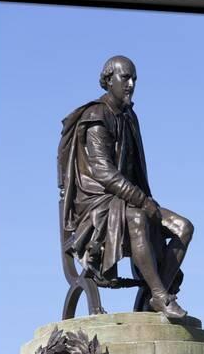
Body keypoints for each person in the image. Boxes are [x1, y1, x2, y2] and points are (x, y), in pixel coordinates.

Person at [58, 56, 193, 318]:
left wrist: (146, 201)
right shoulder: (96, 116)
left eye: (134, 79)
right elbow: (104, 172)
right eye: (125, 78)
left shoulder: (130, 116)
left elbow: (136, 171)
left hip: (130, 198)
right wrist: (143, 201)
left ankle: (158, 292)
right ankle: (161, 297)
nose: (131, 84)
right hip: (96, 205)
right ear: (108, 81)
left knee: (183, 228)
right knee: (138, 216)